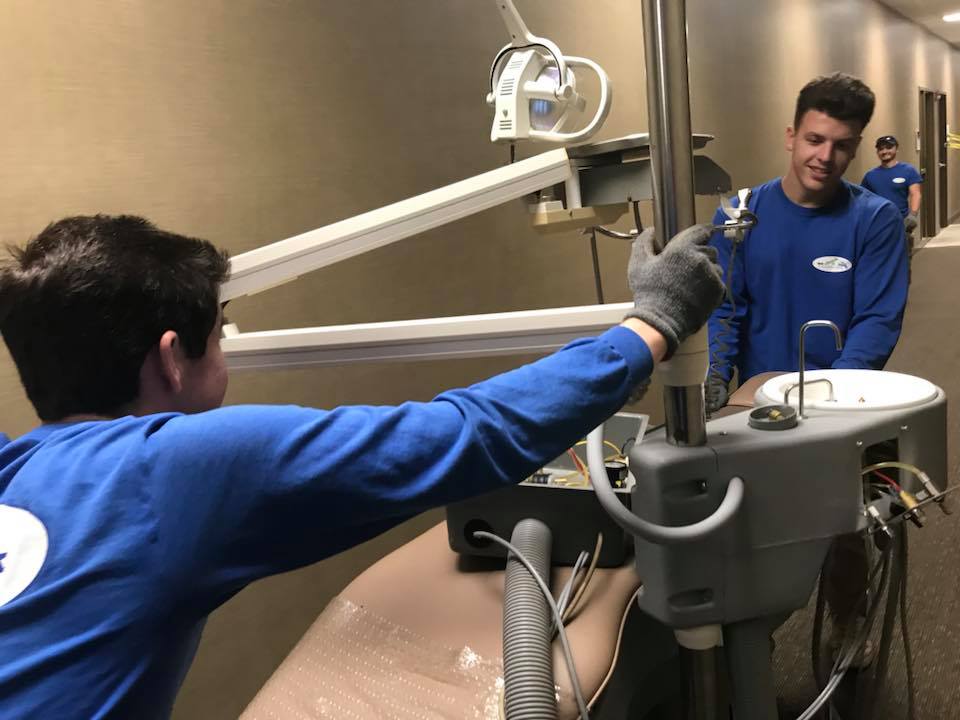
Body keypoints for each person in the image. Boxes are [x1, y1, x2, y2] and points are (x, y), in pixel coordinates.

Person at [0, 214, 723, 717]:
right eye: (219, 335)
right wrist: (652, 324)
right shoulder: (167, 468)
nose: (227, 350)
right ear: (169, 357)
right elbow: (466, 435)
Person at [705, 72, 909, 664]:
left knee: (842, 527)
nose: (827, 156)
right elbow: (725, 307)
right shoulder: (741, 213)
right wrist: (718, 378)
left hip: (836, 405)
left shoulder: (873, 221)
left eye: (843, 145)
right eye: (816, 140)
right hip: (752, 403)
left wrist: (827, 400)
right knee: (744, 528)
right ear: (791, 134)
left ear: (857, 146)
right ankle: (745, 645)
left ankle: (849, 623)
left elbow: (876, 322)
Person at [861, 135, 923, 251]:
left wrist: (913, 215)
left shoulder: (908, 170)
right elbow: (863, 199)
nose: (885, 151)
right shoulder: (870, 175)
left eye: (889, 148)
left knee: (903, 262)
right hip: (877, 226)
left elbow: (916, 193)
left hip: (901, 224)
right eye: (881, 149)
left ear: (896, 149)